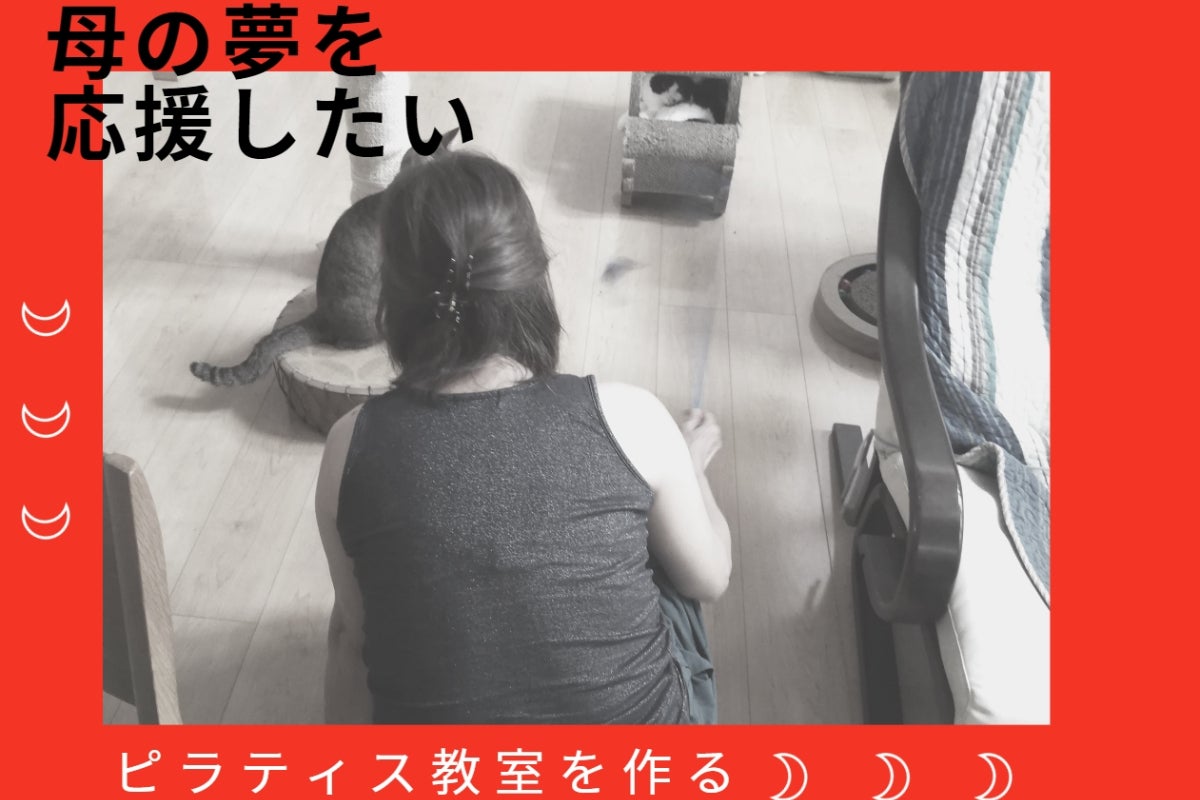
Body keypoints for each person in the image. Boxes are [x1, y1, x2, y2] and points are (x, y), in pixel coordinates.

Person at [315, 150, 731, 724]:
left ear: (393, 301)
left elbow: (351, 637)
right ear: (531, 277)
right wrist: (690, 467)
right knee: (662, 546)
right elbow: (712, 577)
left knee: (370, 604)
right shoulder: (633, 419)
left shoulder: (350, 446)